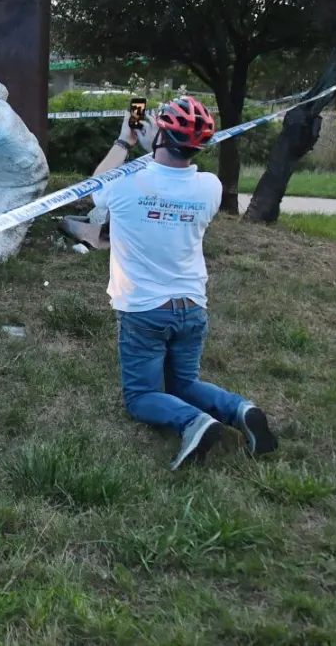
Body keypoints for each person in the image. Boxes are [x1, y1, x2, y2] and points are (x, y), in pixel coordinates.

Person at [90, 96, 278, 469]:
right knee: (185, 384)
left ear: (160, 133)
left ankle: (194, 422)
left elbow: (95, 186)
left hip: (144, 310)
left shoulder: (126, 186)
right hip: (192, 306)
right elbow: (167, 173)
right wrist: (155, 144)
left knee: (141, 396)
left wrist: (125, 141)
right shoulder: (210, 187)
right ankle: (242, 410)